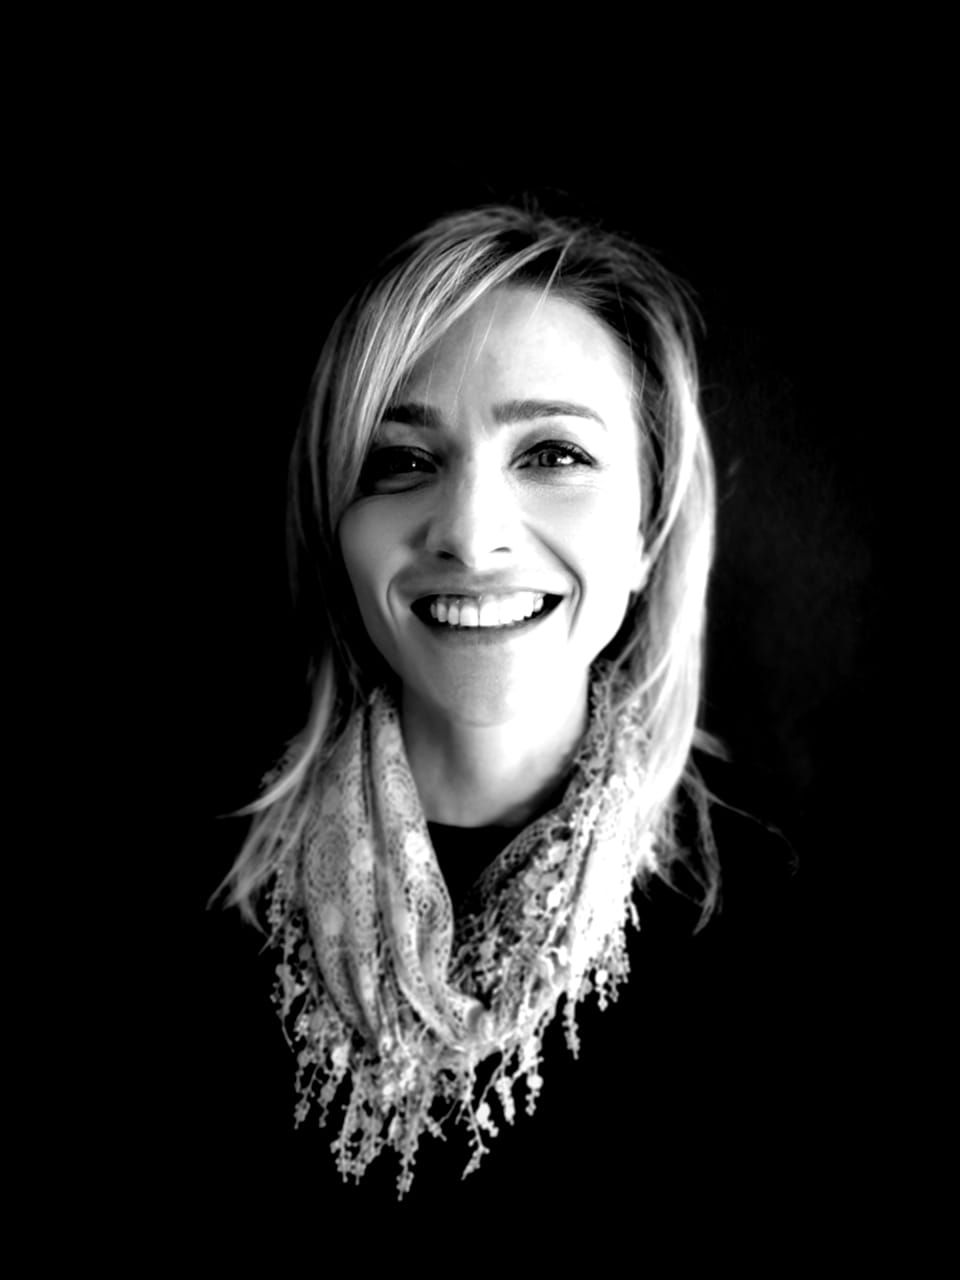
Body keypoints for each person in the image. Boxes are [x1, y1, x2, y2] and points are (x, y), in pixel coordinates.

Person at [218, 201, 778, 1202]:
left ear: (648, 528)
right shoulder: (210, 898)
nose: (472, 538)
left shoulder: (773, 916)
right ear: (337, 525)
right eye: (401, 459)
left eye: (554, 454)